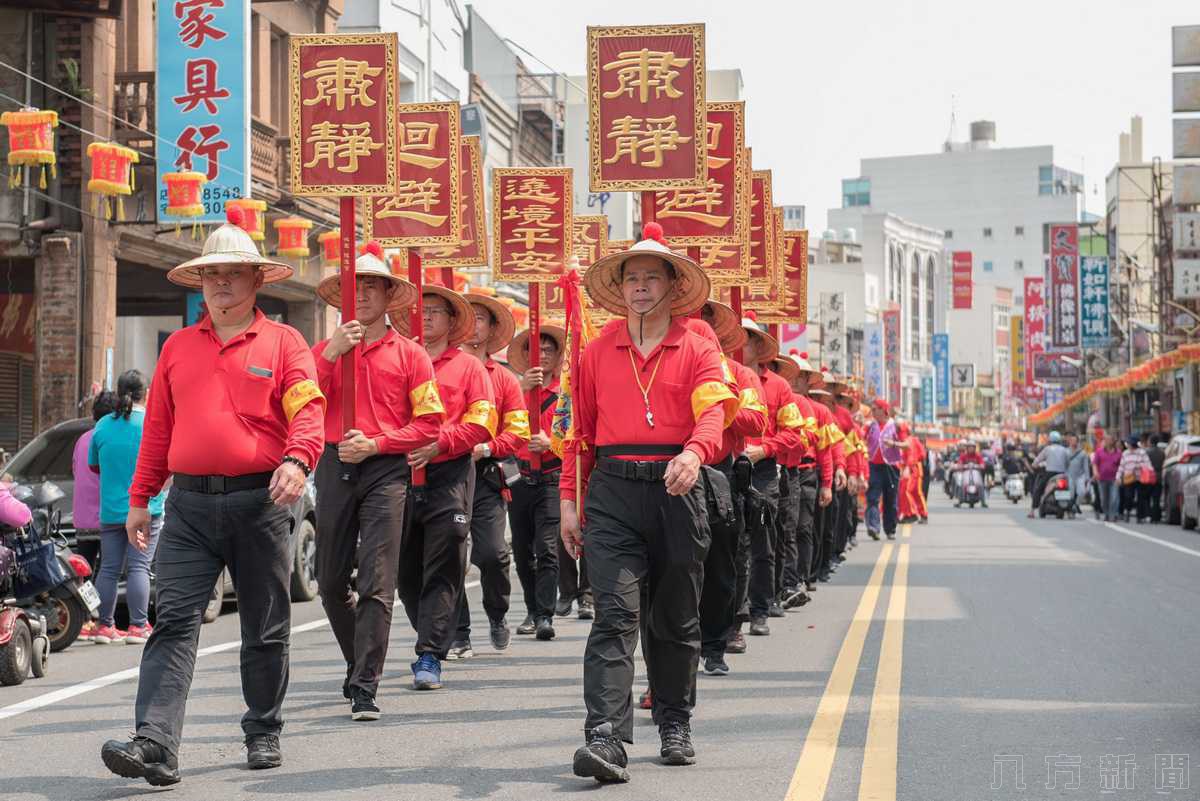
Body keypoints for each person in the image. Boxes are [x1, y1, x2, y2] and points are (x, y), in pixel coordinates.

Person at [101, 209, 324, 785]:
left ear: (256, 281)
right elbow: (158, 432)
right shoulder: (177, 347)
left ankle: (264, 729)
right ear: (200, 282)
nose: (221, 282)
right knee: (172, 622)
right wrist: (139, 499)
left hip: (263, 504)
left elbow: (308, 411)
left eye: (234, 272)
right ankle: (155, 744)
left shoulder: (285, 342)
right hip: (190, 509)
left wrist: (298, 460)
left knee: (265, 625)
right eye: (211, 273)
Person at [564, 224, 737, 781]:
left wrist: (695, 452)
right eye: (630, 278)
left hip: (678, 487)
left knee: (674, 617)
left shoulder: (698, 344)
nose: (639, 287)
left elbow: (715, 408)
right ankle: (606, 737)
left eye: (649, 278)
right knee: (614, 614)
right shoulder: (595, 352)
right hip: (613, 489)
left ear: (671, 286)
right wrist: (571, 500)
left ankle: (674, 719)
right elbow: (579, 435)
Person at [311, 242, 441, 721]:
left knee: (377, 581)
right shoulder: (324, 351)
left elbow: (429, 425)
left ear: (389, 296)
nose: (361, 295)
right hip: (333, 464)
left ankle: (366, 683)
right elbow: (300, 403)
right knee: (328, 581)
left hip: (386, 470)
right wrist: (331, 354)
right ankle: (356, 659)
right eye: (353, 287)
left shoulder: (411, 356)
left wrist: (379, 443)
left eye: (371, 286)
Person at [399, 283, 495, 691]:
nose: (428, 317)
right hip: (399, 475)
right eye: (421, 310)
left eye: (436, 310)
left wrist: (441, 443)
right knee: (405, 572)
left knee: (447, 558)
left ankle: (430, 652)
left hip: (450, 473)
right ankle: (429, 629)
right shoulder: (400, 360)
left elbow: (482, 422)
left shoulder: (469, 367)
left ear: (453, 320)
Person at [451, 290, 528, 657]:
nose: (471, 324)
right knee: (448, 554)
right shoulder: (441, 368)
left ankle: (497, 614)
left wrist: (486, 447)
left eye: (479, 317)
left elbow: (518, 432)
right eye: (465, 316)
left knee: (493, 553)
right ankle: (458, 632)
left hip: (485, 475)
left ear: (492, 327)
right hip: (445, 474)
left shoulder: (505, 379)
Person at [697, 302, 766, 676]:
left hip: (719, 476)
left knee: (720, 566)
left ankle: (715, 643)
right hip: (672, 470)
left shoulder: (740, 375)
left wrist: (721, 404)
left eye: (703, 324)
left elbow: (756, 420)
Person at [89, 370, 167, 646]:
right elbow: (167, 464)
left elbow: (94, 466)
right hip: (146, 507)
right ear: (145, 393)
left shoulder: (102, 427)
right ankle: (137, 626)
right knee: (139, 567)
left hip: (110, 509)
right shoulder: (152, 423)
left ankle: (103, 626)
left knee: (108, 568)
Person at [508, 323, 576, 631]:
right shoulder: (515, 390)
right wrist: (523, 389)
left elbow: (576, 436)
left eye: (549, 350)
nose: (543, 356)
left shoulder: (565, 395)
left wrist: (552, 443)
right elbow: (502, 427)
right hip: (520, 478)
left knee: (547, 547)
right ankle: (532, 609)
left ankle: (546, 614)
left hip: (552, 477)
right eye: (536, 350)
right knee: (522, 552)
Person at [739, 319, 803, 637]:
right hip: (726, 468)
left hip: (763, 472)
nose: (739, 346)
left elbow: (794, 434)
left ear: (757, 346)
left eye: (745, 341)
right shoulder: (719, 376)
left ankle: (760, 609)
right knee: (729, 545)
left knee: (762, 544)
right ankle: (731, 615)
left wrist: (764, 450)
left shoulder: (778, 386)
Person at [73, 390, 117, 642]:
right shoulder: (108, 436)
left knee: (85, 571)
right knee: (106, 569)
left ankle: (84, 620)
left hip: (80, 517)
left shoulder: (82, 439)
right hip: (105, 515)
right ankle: (99, 618)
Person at [865, 399, 904, 539]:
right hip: (874, 466)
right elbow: (860, 440)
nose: (873, 412)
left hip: (891, 467)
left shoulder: (896, 426)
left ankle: (890, 529)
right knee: (872, 497)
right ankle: (874, 527)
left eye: (875, 409)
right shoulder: (870, 426)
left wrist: (893, 443)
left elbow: (907, 444)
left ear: (883, 410)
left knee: (890, 499)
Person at [1029, 431, 1071, 517]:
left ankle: (1032, 511)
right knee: (1069, 489)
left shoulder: (1047, 449)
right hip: (1062, 474)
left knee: (1038, 489)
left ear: (1050, 440)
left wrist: (1034, 465)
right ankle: (1070, 512)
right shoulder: (1064, 450)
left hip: (1050, 474)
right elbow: (1068, 463)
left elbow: (1037, 461)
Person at [1116, 435, 1154, 523]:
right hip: (1128, 478)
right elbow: (1121, 466)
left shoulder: (1142, 452)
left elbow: (1148, 465)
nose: (1127, 444)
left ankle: (1140, 516)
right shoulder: (1125, 453)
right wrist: (1118, 477)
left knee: (1141, 497)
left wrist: (1140, 466)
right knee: (1128, 496)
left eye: (1128, 443)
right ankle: (1127, 511)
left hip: (1140, 478)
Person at [898, 423, 928, 523]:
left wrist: (907, 467)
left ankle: (914, 513)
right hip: (910, 469)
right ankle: (909, 514)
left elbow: (912, 455)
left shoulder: (910, 440)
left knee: (908, 491)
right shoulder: (906, 440)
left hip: (913, 469)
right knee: (909, 492)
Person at [1092, 434, 1122, 521]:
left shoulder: (1119, 452)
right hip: (1102, 479)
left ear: (1113, 441)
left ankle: (1113, 514)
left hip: (1114, 479)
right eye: (1106, 440)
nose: (1108, 441)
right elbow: (1095, 464)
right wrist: (1095, 472)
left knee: (1114, 497)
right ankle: (1106, 513)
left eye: (1110, 439)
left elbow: (1122, 465)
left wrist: (1120, 477)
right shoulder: (1099, 451)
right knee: (1104, 499)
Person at [953, 440, 987, 507]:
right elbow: (959, 463)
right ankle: (960, 501)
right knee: (962, 485)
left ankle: (983, 502)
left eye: (972, 447)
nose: (971, 449)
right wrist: (960, 466)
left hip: (976, 473)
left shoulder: (978, 456)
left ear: (975, 448)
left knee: (980, 485)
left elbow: (982, 464)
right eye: (969, 447)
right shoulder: (963, 456)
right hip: (966, 473)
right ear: (967, 448)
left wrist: (980, 466)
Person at [1065, 433, 1092, 517]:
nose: (1073, 442)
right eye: (1072, 440)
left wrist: (1087, 478)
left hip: (1080, 476)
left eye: (1075, 441)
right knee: (1071, 494)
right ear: (1069, 441)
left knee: (1082, 492)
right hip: (1069, 475)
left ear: (1078, 442)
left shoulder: (1083, 453)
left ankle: (1076, 505)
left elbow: (1086, 467)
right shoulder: (1066, 451)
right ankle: (1070, 510)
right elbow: (1064, 464)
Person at [1145, 432, 1166, 523]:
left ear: (1150, 441)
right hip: (1158, 476)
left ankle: (1149, 514)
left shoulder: (1147, 452)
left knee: (1147, 497)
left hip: (1148, 476)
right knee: (1156, 498)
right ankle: (1156, 517)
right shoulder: (1162, 452)